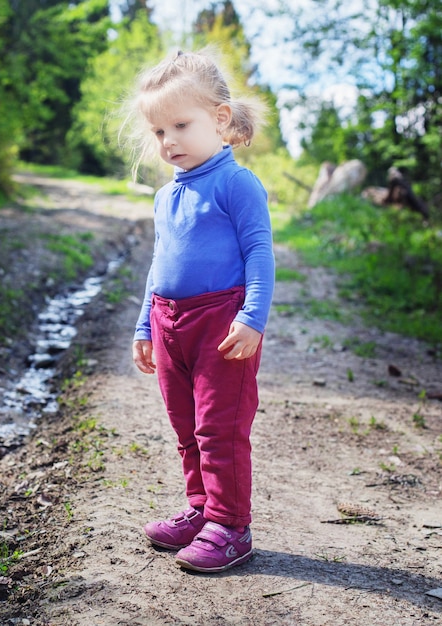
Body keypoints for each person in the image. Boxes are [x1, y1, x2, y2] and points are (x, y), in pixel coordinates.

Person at [128, 49, 275, 573]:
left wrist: (252, 317)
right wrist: (146, 323)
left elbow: (259, 252)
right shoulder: (166, 195)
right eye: (159, 131)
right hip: (170, 323)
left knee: (219, 428)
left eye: (180, 126)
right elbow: (159, 261)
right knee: (186, 425)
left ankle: (232, 526)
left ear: (219, 118)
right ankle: (202, 510)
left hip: (221, 323)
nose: (168, 142)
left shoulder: (237, 184)